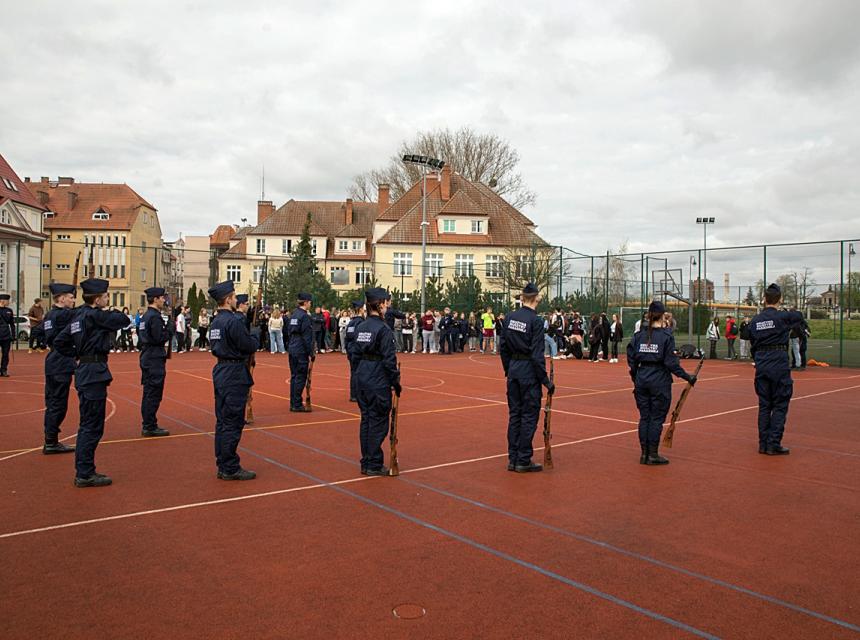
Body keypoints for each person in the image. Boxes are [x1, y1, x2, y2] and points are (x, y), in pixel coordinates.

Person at [53, 278, 130, 487]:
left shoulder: (78, 316)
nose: (107, 299)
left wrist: (78, 354)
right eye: (105, 296)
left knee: (88, 423)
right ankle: (85, 472)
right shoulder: (95, 315)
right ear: (97, 299)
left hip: (85, 370)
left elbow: (60, 342)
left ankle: (84, 469)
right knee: (92, 425)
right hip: (94, 372)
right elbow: (123, 320)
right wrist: (85, 355)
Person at [627, 300, 697, 465]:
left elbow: (631, 359)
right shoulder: (666, 336)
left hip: (642, 378)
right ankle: (652, 453)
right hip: (659, 379)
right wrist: (688, 377)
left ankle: (644, 454)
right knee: (656, 418)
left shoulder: (638, 336)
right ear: (663, 316)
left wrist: (636, 376)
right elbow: (671, 363)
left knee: (645, 417)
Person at [500, 283, 554, 473]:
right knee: (529, 416)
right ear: (536, 297)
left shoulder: (510, 317)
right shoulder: (536, 321)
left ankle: (513, 458)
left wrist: (509, 369)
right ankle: (523, 459)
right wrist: (545, 381)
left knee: (515, 415)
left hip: (514, 370)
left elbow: (503, 347)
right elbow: (537, 355)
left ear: (522, 297)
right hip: (529, 373)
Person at [207, 280, 259, 480]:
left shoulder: (216, 321)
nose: (237, 300)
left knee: (222, 421)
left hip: (221, 369)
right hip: (234, 372)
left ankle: (223, 462)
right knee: (232, 422)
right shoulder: (232, 321)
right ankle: (229, 466)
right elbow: (247, 345)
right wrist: (254, 336)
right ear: (228, 300)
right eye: (235, 297)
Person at [749, 284, 805, 456]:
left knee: (764, 405)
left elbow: (752, 343)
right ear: (779, 299)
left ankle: (763, 443)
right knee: (780, 404)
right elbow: (799, 317)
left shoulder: (755, 321)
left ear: (764, 299)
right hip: (778, 362)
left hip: (762, 362)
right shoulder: (783, 317)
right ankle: (773, 443)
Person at [354, 287, 401, 476]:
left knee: (366, 420)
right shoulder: (383, 329)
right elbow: (389, 361)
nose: (388, 307)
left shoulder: (361, 326)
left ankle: (366, 460)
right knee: (378, 422)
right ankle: (373, 462)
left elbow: (355, 354)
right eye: (386, 303)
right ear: (380, 304)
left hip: (362, 376)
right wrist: (395, 382)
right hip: (377, 379)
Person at [41, 282, 78, 454]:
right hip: (61, 361)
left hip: (54, 360)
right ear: (62, 299)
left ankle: (51, 438)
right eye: (70, 297)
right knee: (58, 403)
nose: (73, 300)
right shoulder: (63, 315)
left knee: (53, 402)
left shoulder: (50, 315)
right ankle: (51, 441)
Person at [138, 287, 172, 438]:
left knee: (148, 392)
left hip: (147, 355)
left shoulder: (146, 316)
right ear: (156, 299)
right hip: (154, 357)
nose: (164, 300)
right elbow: (160, 337)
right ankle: (149, 425)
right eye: (162, 298)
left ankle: (148, 422)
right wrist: (169, 329)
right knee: (153, 392)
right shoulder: (155, 317)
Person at [288, 293, 315, 411]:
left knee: (294, 376)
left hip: (293, 347)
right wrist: (311, 353)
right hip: (301, 349)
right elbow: (307, 337)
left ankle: (293, 402)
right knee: (300, 377)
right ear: (305, 303)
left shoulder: (294, 314)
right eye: (309, 302)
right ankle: (297, 404)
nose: (310, 304)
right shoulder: (305, 316)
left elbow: (288, 331)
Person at [345, 300, 365, 402]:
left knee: (353, 373)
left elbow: (346, 338)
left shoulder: (351, 323)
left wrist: (348, 351)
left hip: (351, 350)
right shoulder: (362, 323)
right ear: (361, 309)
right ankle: (358, 394)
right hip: (359, 351)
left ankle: (353, 394)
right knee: (360, 373)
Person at [0, 294, 13, 377]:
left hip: (6, 335)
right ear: (3, 301)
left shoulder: (9, 310)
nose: (9, 302)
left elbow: (12, 323)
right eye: (8, 300)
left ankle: (4, 370)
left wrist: (14, 335)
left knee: (5, 354)